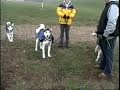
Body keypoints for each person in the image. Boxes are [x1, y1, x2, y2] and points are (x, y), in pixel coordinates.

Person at [96, 0, 119, 78]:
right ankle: (102, 66)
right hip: (105, 35)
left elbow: (112, 23)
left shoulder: (113, 6)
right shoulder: (108, 4)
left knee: (109, 53)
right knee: (104, 51)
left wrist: (105, 35)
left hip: (109, 36)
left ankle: (107, 72)